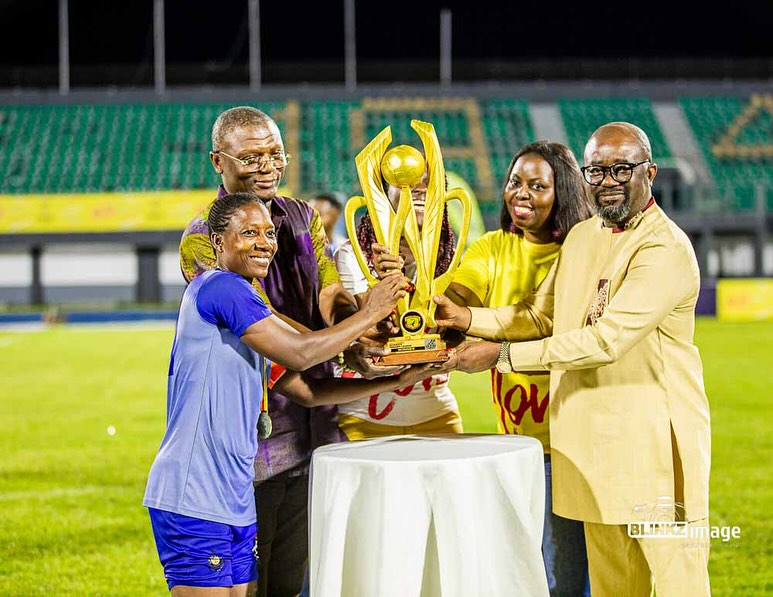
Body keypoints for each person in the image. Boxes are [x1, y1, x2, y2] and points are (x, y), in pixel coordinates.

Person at [433, 122, 711, 597]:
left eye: (621, 169)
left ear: (649, 173)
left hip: (654, 443)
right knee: (611, 582)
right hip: (591, 441)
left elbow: (605, 342)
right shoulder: (583, 236)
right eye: (596, 170)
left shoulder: (663, 247)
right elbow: (542, 316)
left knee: (676, 580)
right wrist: (465, 317)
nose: (608, 180)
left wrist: (501, 357)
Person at [145, 192, 431, 596]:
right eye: (249, 233)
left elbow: (308, 390)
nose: (265, 243)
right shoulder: (221, 288)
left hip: (234, 493)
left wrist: (396, 381)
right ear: (217, 242)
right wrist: (371, 312)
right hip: (195, 491)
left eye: (269, 233)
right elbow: (301, 352)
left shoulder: (251, 312)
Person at [178, 106, 375, 597]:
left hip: (314, 429)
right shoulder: (203, 239)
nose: (267, 166)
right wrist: (350, 337)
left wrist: (356, 320)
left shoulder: (304, 215)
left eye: (276, 154)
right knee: (249, 583)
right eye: (251, 157)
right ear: (218, 162)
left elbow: (327, 288)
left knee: (291, 579)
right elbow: (270, 325)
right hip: (249, 444)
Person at [445, 141, 594, 596]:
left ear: (563, 191)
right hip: (516, 442)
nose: (521, 193)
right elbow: (458, 296)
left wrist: (468, 322)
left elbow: (537, 320)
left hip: (572, 441)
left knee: (566, 575)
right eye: (515, 182)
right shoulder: (492, 247)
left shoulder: (584, 252)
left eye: (537, 185)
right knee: (524, 570)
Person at [334, 167, 464, 437]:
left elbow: (456, 332)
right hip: (361, 416)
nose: (420, 189)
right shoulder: (354, 255)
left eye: (429, 183)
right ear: (383, 195)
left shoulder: (449, 259)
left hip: (436, 412)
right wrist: (387, 282)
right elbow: (365, 333)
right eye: (406, 181)